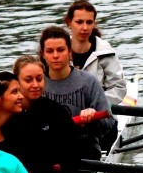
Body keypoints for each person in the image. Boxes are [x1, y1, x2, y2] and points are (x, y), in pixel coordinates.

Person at [39, 25, 118, 158]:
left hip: (84, 148)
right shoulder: (36, 85)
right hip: (48, 151)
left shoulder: (88, 81)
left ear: (70, 51)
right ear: (43, 54)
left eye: (60, 50)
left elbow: (109, 123)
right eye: (50, 51)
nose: (55, 56)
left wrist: (93, 118)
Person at [64, 0, 128, 105]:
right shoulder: (58, 51)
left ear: (94, 24)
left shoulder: (105, 52)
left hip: (98, 113)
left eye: (89, 22)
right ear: (69, 23)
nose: (85, 27)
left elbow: (118, 87)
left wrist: (96, 104)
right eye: (79, 22)